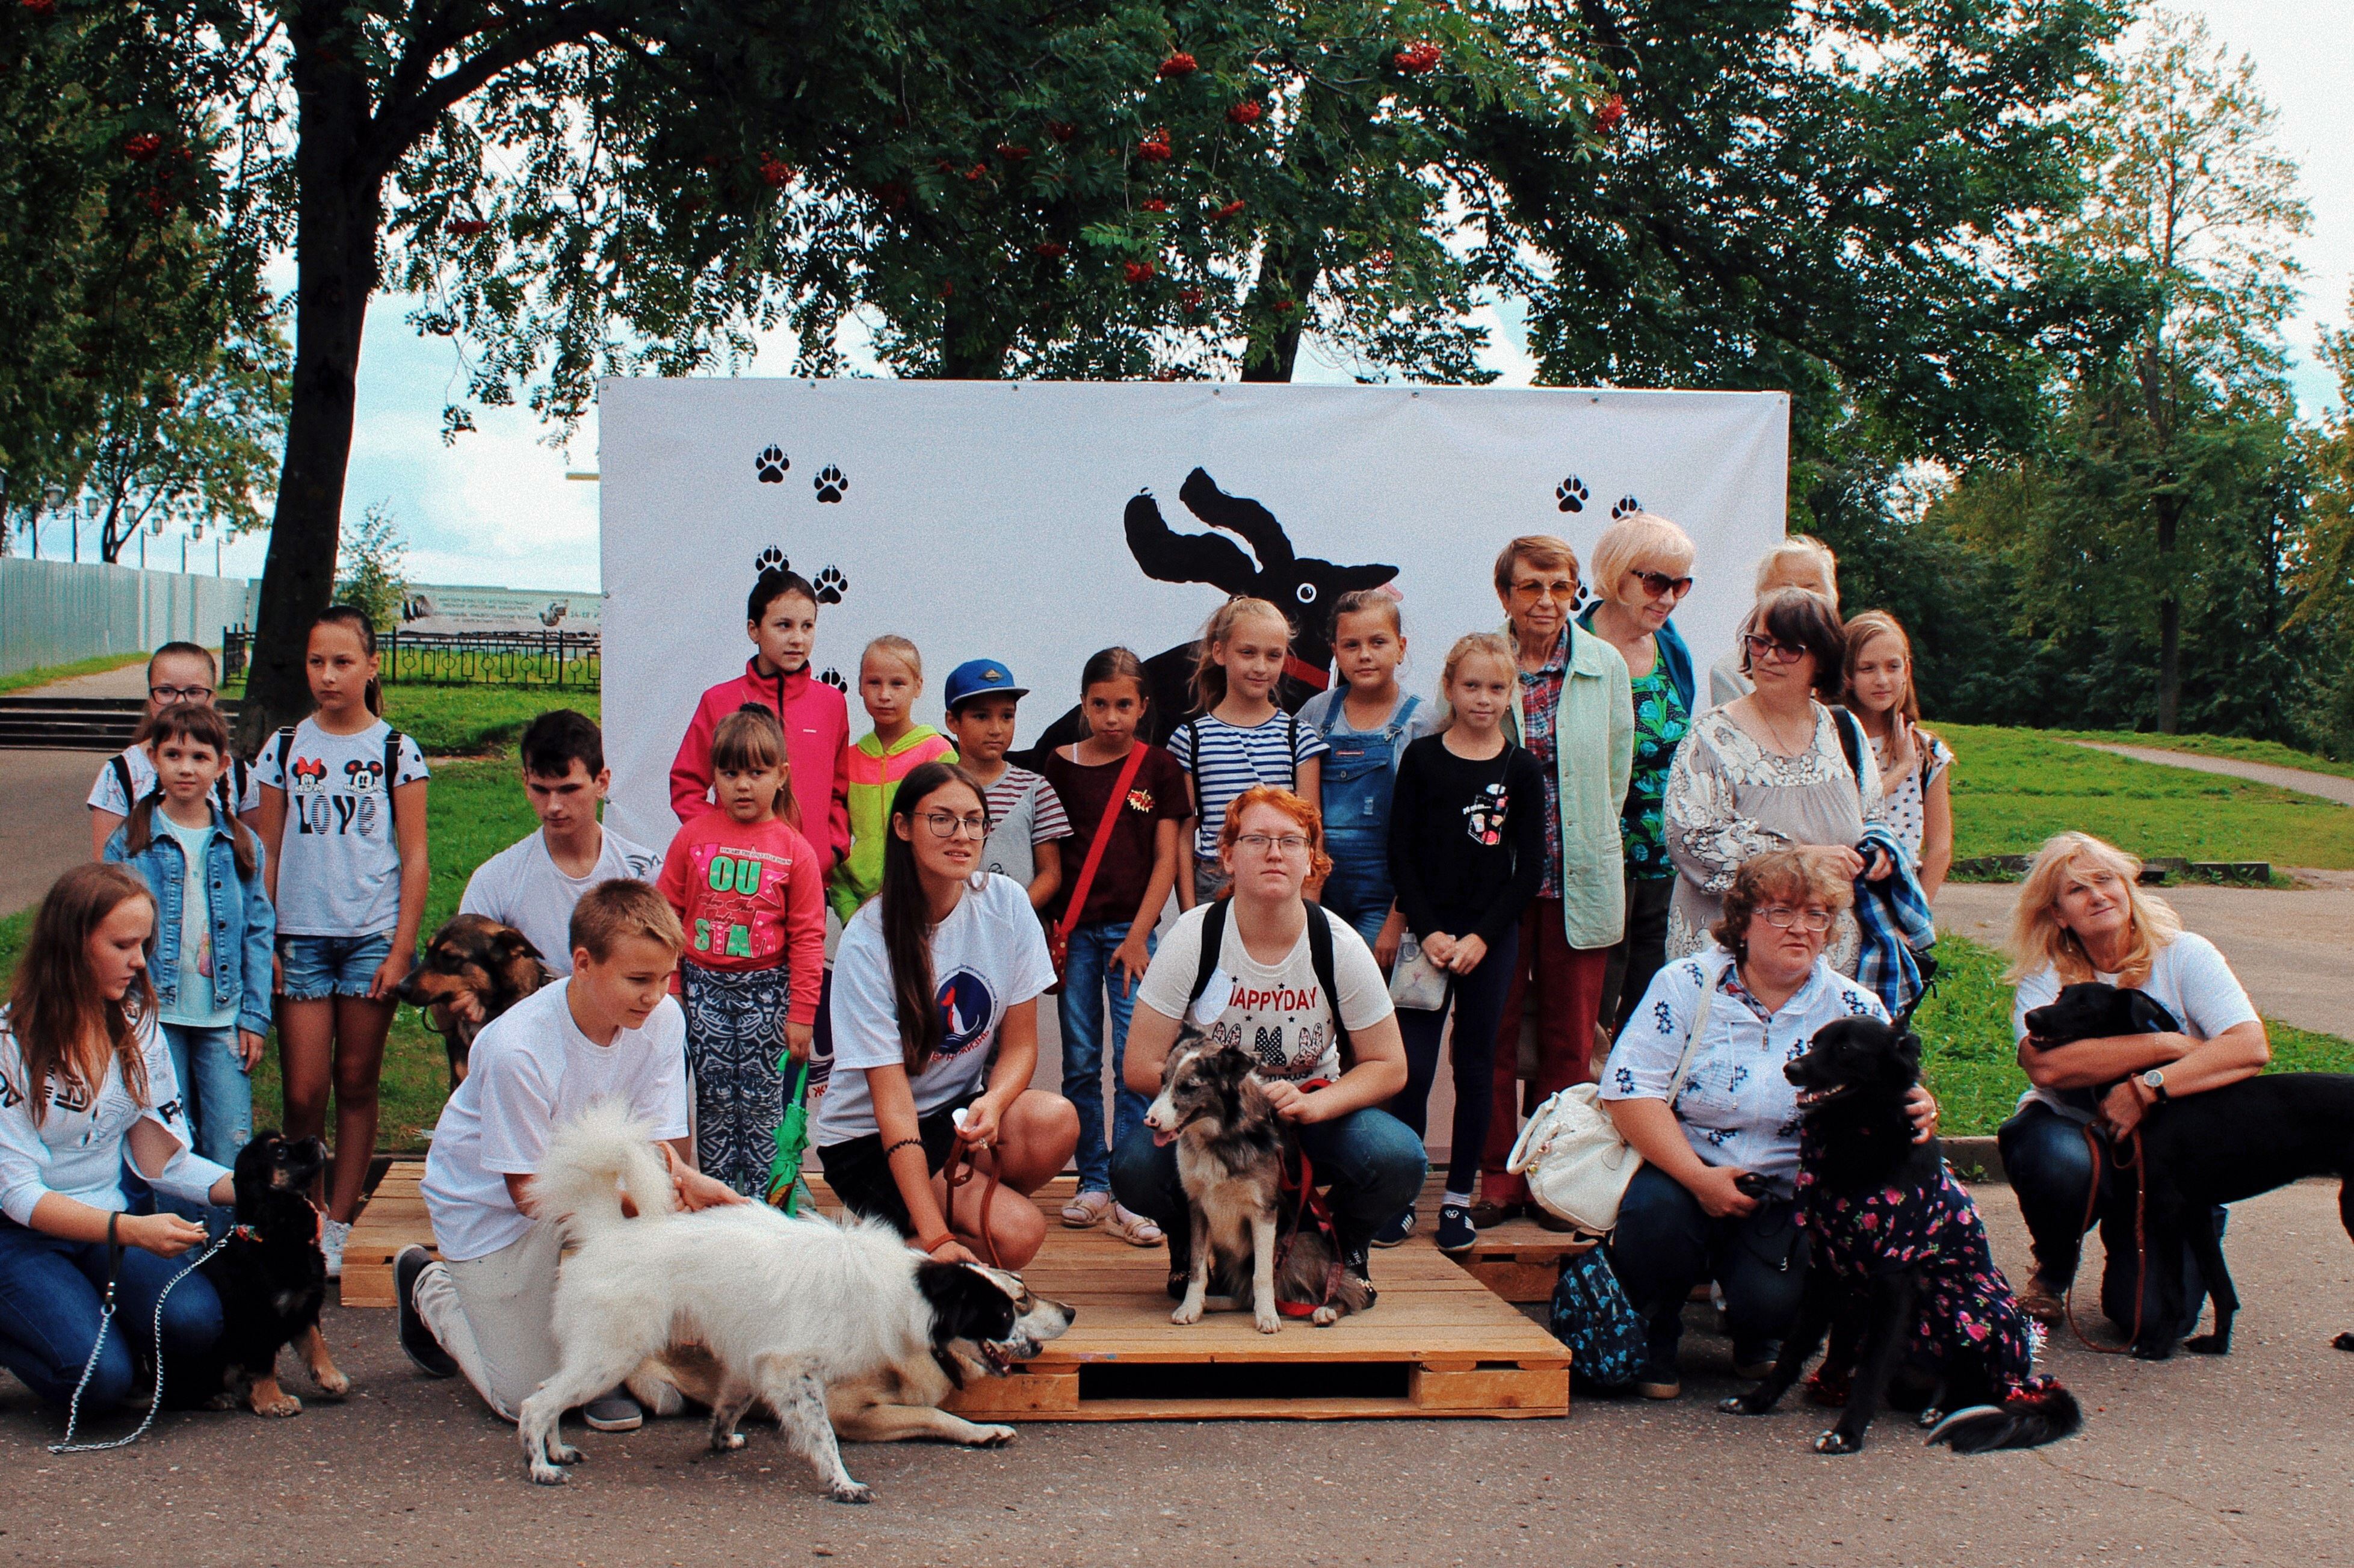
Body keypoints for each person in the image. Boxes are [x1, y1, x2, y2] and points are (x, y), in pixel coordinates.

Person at [401, 879, 743, 1429]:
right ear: (583, 964)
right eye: (637, 980)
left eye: (664, 978)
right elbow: (527, 1194)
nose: (654, 996)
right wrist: (642, 1205)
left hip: (591, 1188)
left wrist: (685, 1181)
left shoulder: (663, 1018)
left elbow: (653, 1143)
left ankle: (604, 1360)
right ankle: (431, 1286)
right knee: (520, 1398)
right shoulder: (517, 1048)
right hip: (492, 1210)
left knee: (657, 1241)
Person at [1601, 849, 1936, 1400]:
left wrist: (1920, 1102)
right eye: (1780, 913)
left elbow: (1894, 1083)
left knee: (1772, 1300)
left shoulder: (1854, 1004)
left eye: (1817, 915)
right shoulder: (1686, 985)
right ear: (1742, 920)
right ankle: (1653, 1330)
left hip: (1788, 1189)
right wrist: (1697, 1177)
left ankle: (1760, 1333)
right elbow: (1630, 1090)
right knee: (1654, 1217)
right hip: (1685, 1171)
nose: (1800, 929)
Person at [1114, 786, 1423, 1289]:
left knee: (1398, 1158)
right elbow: (1140, 1065)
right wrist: (1236, 1103)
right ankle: (1192, 1257)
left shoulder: (1338, 944)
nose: (1275, 853)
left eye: (1292, 842)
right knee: (1134, 1166)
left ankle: (1344, 1251)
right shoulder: (1195, 937)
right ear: (1229, 857)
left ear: (1312, 862)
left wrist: (1318, 1104)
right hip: (1219, 1121)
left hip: (1308, 1114)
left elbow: (1389, 1065)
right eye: (1257, 839)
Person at [1995, 832, 2267, 1332]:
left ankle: (2134, 1234)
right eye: (2078, 890)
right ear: (2059, 914)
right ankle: (2055, 1266)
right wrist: (2168, 1045)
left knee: (2150, 1318)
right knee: (2053, 1158)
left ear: (2128, 887)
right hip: (2074, 1131)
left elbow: (2249, 1047)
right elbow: (2048, 1068)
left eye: (2106, 881)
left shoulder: (2185, 954)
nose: (2098, 896)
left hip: (2171, 1150)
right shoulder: (2047, 972)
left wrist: (2147, 1087)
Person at [812, 764, 1078, 1268]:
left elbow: (1021, 1045)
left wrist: (996, 1102)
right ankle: (873, 1259)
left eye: (974, 821)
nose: (962, 835)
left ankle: (954, 1223)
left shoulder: (1007, 904)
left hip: (951, 1116)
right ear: (904, 827)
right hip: (868, 1141)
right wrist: (936, 1238)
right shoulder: (869, 940)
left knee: (1055, 1120)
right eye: (943, 820)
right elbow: (892, 1109)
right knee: (1019, 1236)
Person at [0, 864, 234, 1410]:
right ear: (72, 946)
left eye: (145, 943)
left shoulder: (137, 1022)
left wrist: (260, 1192)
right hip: (21, 1235)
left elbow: (165, 1162)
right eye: (123, 944)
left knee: (198, 1324)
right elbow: (18, 1195)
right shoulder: (9, 1043)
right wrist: (132, 1230)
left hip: (112, 1224)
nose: (140, 960)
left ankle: (90, 1321)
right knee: (99, 1385)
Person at [253, 606, 430, 1279]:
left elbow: (413, 858)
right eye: (317, 662)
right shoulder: (285, 746)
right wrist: (261, 938)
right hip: (298, 934)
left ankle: (339, 1222)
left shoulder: (395, 750)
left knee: (356, 1079)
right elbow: (265, 851)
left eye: (342, 662)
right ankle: (306, 1210)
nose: (328, 676)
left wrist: (399, 948)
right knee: (303, 1090)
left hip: (369, 936)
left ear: (371, 664)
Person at [1477, 534, 1633, 1227]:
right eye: (1530, 586)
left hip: (1579, 878)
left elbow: (1616, 770)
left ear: (1576, 592)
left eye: (1559, 587)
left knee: (1571, 1037)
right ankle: (1494, 1174)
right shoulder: (1484, 661)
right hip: (1496, 884)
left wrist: (1587, 833)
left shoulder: (1603, 664)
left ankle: (1555, 1174)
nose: (1545, 601)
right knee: (1493, 1033)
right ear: (1505, 593)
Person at [1384, 633, 1543, 1252]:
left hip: (1489, 940)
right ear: (1449, 687)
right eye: (1471, 685)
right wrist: (1430, 931)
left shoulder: (1521, 769)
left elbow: (1528, 869)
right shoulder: (1422, 760)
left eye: (1496, 688)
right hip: (1428, 937)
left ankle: (1456, 1201)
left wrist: (1481, 935)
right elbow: (1401, 853)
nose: (1483, 698)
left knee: (1476, 1067)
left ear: (1511, 696)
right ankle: (1400, 1193)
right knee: (1412, 1069)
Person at [1663, 587, 1890, 978]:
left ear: (1821, 659)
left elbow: (1872, 816)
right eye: (1760, 642)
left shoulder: (1843, 730)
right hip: (1733, 957)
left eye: (1787, 648)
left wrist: (1880, 850)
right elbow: (1693, 843)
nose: (1768, 656)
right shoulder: (1712, 736)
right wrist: (1802, 859)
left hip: (1826, 960)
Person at [1041, 648, 1187, 1244]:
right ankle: (1092, 1181)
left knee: (1135, 1065)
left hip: (1134, 936)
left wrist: (1137, 935)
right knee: (1079, 1060)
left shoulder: (1160, 766)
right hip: (1074, 935)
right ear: (1083, 703)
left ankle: (1132, 1189)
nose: (1111, 716)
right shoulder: (1058, 764)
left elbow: (1164, 860)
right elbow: (1047, 852)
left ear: (1144, 706)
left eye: (1124, 704)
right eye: (1099, 704)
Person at [657, 706, 827, 1197]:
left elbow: (808, 938)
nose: (743, 786)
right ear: (713, 777)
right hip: (703, 989)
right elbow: (665, 915)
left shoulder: (795, 851)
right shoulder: (692, 837)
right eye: (730, 773)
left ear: (781, 775)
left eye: (757, 772)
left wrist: (801, 1013)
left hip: (767, 994)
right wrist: (673, 990)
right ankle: (713, 1198)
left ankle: (763, 1203)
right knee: (713, 1100)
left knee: (760, 1103)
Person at [102, 702, 274, 1168]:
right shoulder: (130, 841)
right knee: (166, 1143)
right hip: (153, 1016)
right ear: (154, 759)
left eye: (200, 757)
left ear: (221, 766)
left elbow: (258, 932)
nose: (185, 768)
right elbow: (107, 930)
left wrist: (255, 1017)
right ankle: (171, 1239)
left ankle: (225, 1242)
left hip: (223, 1016)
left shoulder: (241, 842)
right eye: (174, 755)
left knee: (229, 1141)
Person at [1578, 511, 1699, 1040]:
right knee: (1588, 1016)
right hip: (1595, 858)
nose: (1668, 598)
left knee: (1653, 1013)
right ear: (1616, 574)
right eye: (1655, 582)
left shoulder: (1671, 647)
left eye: (1680, 584)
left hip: (1664, 859)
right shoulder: (1575, 646)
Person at [670, 555, 851, 870]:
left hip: (807, 870)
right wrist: (721, 840)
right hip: (737, 873)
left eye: (807, 626)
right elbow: (686, 784)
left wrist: (832, 849)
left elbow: (840, 787)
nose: (798, 638)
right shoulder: (718, 700)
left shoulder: (831, 703)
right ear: (754, 630)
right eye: (784, 625)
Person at [457, 709, 660, 982]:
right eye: (541, 789)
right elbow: (461, 973)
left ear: (601, 783)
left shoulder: (645, 872)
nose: (553, 806)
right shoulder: (495, 881)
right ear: (525, 783)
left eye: (568, 790)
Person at [1296, 589, 1437, 958]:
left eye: (1378, 642)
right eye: (1351, 645)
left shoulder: (1423, 722)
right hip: (1319, 888)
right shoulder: (1314, 715)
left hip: (1387, 896)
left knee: (1368, 999)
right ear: (1334, 651)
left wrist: (1398, 916)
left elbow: (1428, 832)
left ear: (1401, 646)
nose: (1365, 655)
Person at [1169, 597, 1328, 909]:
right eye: (1248, 653)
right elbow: (1184, 836)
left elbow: (1313, 832)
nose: (1260, 667)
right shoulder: (1191, 739)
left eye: (1273, 656)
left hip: (1281, 880)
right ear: (1220, 652)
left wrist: (1309, 908)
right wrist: (1189, 915)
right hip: (1215, 882)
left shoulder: (1300, 737)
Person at [86, 641, 259, 859]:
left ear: (213, 698)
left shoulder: (240, 775)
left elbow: (253, 858)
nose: (180, 701)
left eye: (195, 692)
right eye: (166, 691)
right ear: (151, 699)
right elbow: (107, 868)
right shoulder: (120, 773)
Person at [830, 636, 957, 922]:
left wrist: (932, 902)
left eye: (897, 684)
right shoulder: (847, 760)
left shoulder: (936, 753)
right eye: (874, 683)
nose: (884, 694)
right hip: (862, 913)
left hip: (925, 909)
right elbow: (833, 837)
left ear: (918, 687)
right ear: (860, 686)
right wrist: (849, 909)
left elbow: (949, 837)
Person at [940, 658, 1069, 912]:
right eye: (981, 716)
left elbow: (1051, 873)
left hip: (1014, 933)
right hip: (950, 928)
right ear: (953, 721)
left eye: (1007, 716)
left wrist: (1013, 915)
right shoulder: (936, 790)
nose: (996, 729)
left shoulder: (1036, 789)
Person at [1841, 611, 1953, 902]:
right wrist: (1903, 767)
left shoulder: (1928, 752)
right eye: (1867, 668)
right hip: (1839, 894)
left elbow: (1940, 847)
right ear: (1847, 674)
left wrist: (1916, 919)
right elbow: (1853, 807)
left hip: (1899, 899)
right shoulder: (1831, 741)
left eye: (1893, 667)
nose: (1882, 679)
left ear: (1906, 670)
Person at [1707, 535, 1840, 707]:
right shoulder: (1731, 673)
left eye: (1809, 590)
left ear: (1831, 598)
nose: (1797, 599)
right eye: (1786, 589)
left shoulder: (1853, 663)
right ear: (1761, 599)